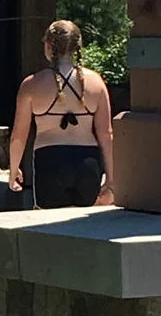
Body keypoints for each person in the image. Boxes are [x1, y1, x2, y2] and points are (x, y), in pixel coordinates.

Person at [7, 20, 114, 207]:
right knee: (86, 228)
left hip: (50, 160)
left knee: (49, 228)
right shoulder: (96, 83)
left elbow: (19, 136)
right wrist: (112, 179)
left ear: (48, 46)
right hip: (88, 161)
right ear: (78, 46)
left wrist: (14, 170)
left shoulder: (32, 85)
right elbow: (106, 134)